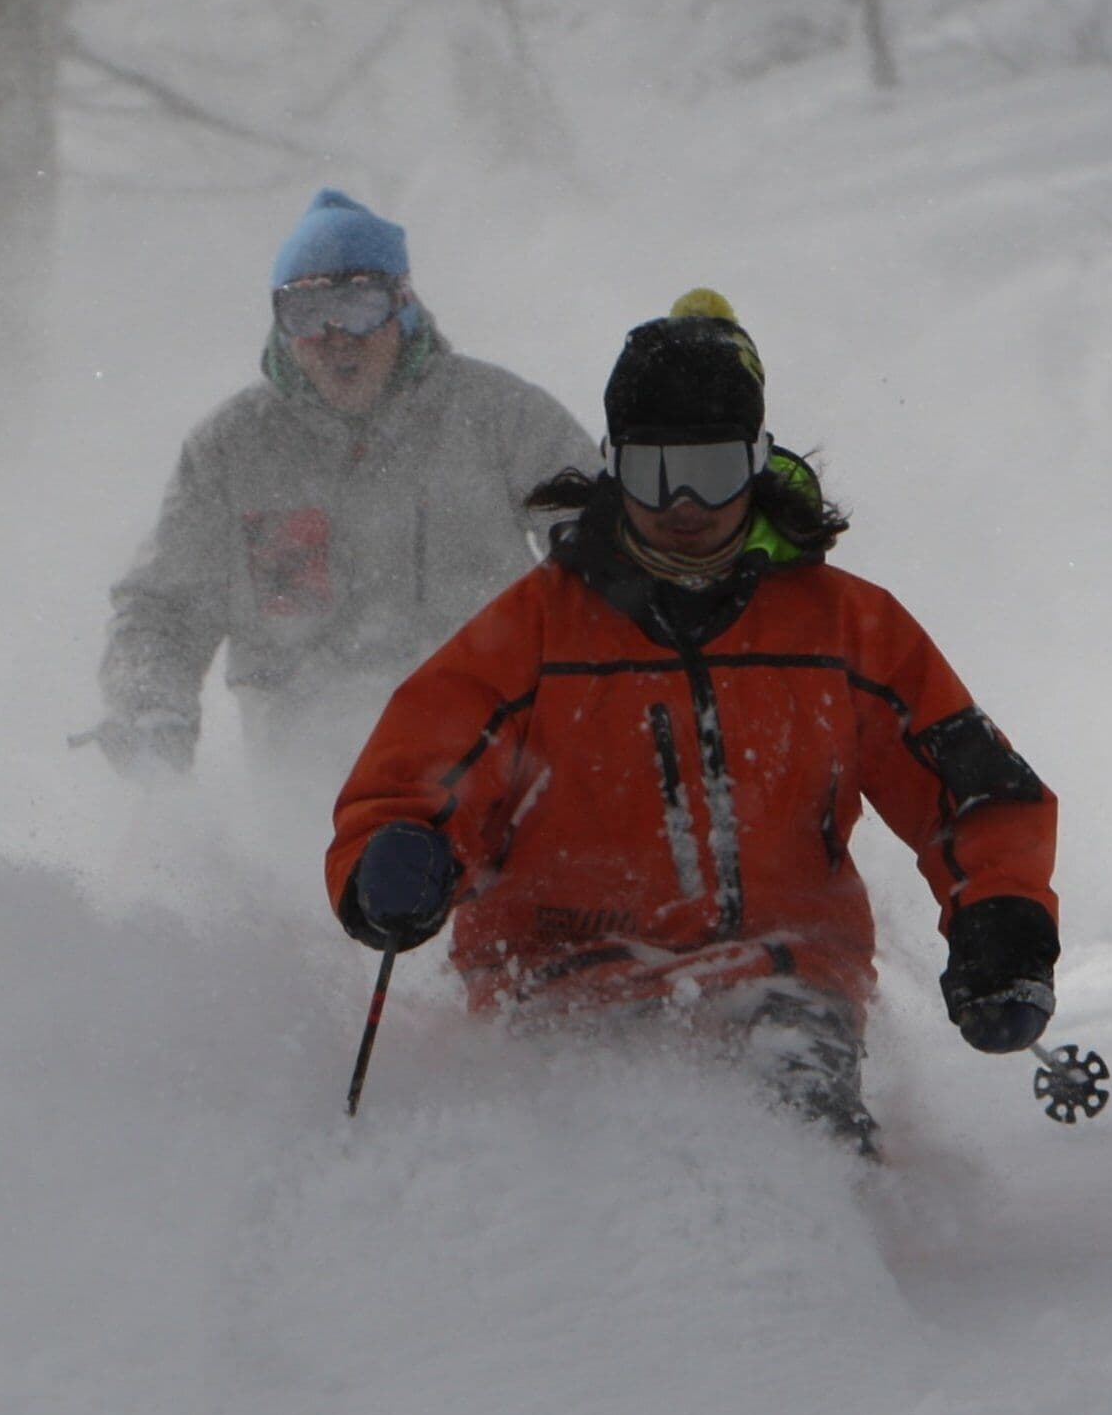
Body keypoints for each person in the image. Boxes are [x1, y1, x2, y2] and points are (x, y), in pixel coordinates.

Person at [320, 292, 1061, 1154]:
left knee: (801, 1127)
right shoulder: (533, 636)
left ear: (757, 463)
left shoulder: (846, 629)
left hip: (784, 971)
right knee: (597, 1156)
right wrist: (394, 859)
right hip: (562, 978)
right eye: (652, 471)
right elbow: (412, 776)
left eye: (711, 471)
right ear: (610, 467)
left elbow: (970, 787)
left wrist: (1000, 922)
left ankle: (818, 1266)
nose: (683, 504)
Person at [96, 190, 599, 782]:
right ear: (281, 326)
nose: (337, 336)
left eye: (360, 304)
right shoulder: (232, 451)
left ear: (403, 306)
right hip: (303, 796)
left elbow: (603, 553)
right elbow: (165, 606)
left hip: (492, 767)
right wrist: (151, 706)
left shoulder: (499, 418)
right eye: (307, 314)